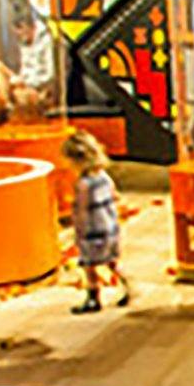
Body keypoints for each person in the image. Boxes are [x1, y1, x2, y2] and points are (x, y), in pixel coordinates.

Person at [61, 130, 130, 313]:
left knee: (89, 264)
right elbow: (115, 196)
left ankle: (93, 297)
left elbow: (82, 210)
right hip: (110, 225)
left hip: (93, 230)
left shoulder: (84, 184)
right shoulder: (104, 177)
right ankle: (128, 286)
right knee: (112, 261)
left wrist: (78, 231)